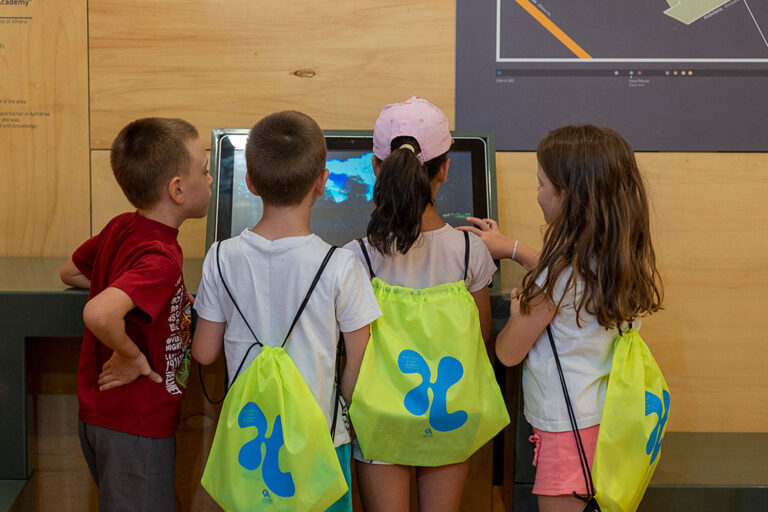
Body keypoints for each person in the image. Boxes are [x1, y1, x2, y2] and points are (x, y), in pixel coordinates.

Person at [460, 125, 663, 512]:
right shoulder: (617, 261)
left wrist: (519, 311)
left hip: (566, 433)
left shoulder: (554, 279)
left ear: (568, 196)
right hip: (609, 420)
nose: (537, 194)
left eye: (542, 184)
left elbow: (507, 352)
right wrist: (513, 248)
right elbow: (567, 279)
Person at [191, 110, 381, 512]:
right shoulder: (342, 266)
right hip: (321, 442)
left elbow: (204, 353)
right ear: (322, 183)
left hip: (247, 439)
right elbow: (358, 369)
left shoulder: (220, 257)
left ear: (250, 182)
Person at [344, 97, 497, 512]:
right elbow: (481, 338)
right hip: (449, 414)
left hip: (380, 416)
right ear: (444, 169)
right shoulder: (471, 251)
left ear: (376, 168)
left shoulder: (357, 256)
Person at [59, 117, 212, 511]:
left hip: (105, 418)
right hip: (135, 425)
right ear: (177, 189)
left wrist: (147, 294)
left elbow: (72, 271)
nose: (211, 179)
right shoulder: (160, 256)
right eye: (205, 170)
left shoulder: (123, 226)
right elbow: (99, 313)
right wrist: (132, 356)